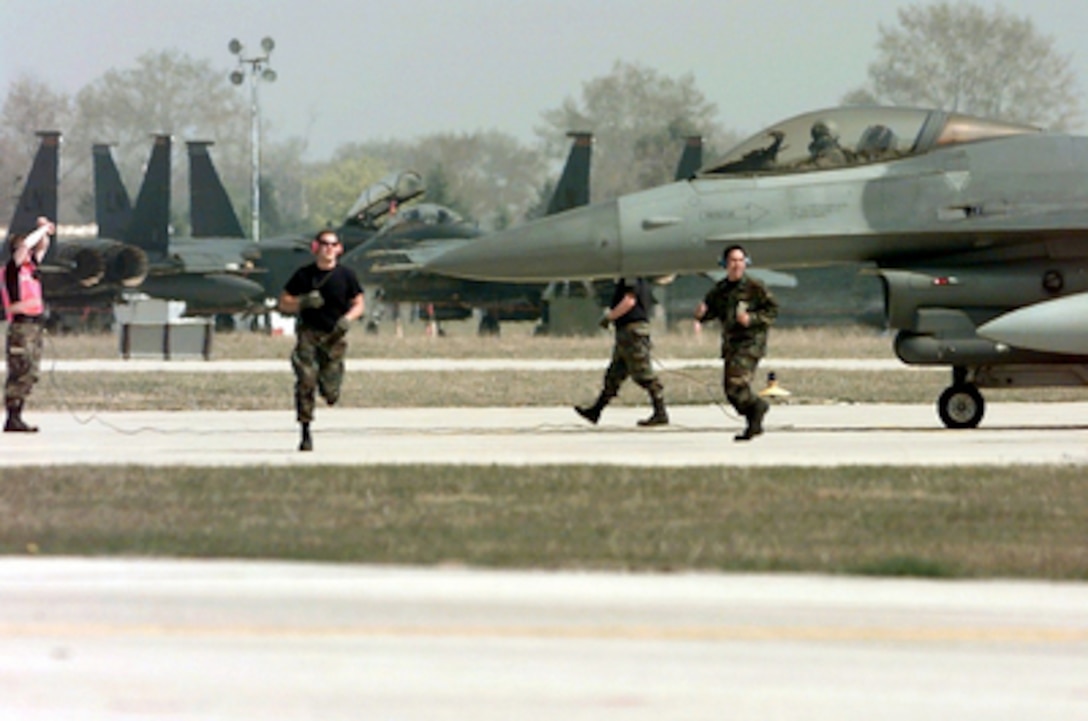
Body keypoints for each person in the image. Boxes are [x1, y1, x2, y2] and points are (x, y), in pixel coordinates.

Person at [279, 229, 365, 451]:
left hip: (334, 337)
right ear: (316, 248)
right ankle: (305, 432)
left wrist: (347, 319)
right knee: (306, 381)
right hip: (308, 334)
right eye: (324, 244)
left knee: (330, 390)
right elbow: (283, 302)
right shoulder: (303, 276)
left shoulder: (347, 276)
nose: (328, 248)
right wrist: (302, 302)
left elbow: (359, 303)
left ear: (339, 249)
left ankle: (330, 390)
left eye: (333, 244)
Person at [695, 244, 779, 441]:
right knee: (731, 390)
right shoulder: (720, 290)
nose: (737, 265)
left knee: (736, 383)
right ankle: (754, 418)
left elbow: (772, 310)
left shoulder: (755, 287)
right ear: (725, 264)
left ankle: (757, 411)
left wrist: (752, 319)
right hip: (731, 344)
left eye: (741, 261)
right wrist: (701, 315)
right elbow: (711, 312)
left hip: (751, 343)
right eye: (733, 261)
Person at [574, 277, 668, 427]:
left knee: (644, 374)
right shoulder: (638, 278)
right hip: (627, 333)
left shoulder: (631, 278)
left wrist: (609, 317)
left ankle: (661, 413)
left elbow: (629, 301)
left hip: (633, 333)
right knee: (615, 374)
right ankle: (596, 411)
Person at [3, 216, 54, 433]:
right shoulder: (13, 270)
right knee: (20, 370)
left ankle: (18, 415)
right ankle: (12, 416)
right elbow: (27, 245)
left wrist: (45, 234)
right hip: (21, 327)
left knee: (31, 372)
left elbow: (41, 247)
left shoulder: (31, 268)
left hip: (34, 326)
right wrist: (41, 229)